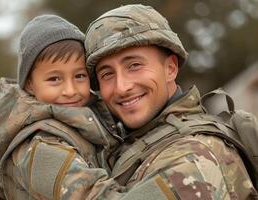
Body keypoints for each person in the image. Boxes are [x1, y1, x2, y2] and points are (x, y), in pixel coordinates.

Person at [84, 4, 258, 199]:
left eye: (134, 65)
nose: (122, 87)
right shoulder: (134, 143)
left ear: (170, 68)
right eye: (107, 74)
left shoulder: (194, 156)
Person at [0, 15, 121, 199]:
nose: (70, 90)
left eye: (79, 76)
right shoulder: (41, 145)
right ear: (29, 85)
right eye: (54, 79)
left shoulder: (89, 121)